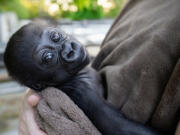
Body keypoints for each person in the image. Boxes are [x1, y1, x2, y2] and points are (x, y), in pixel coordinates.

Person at [19, 0, 180, 134]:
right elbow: (120, 129)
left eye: (55, 36)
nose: (67, 49)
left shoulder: (81, 75)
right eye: (48, 57)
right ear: (37, 85)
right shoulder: (82, 91)